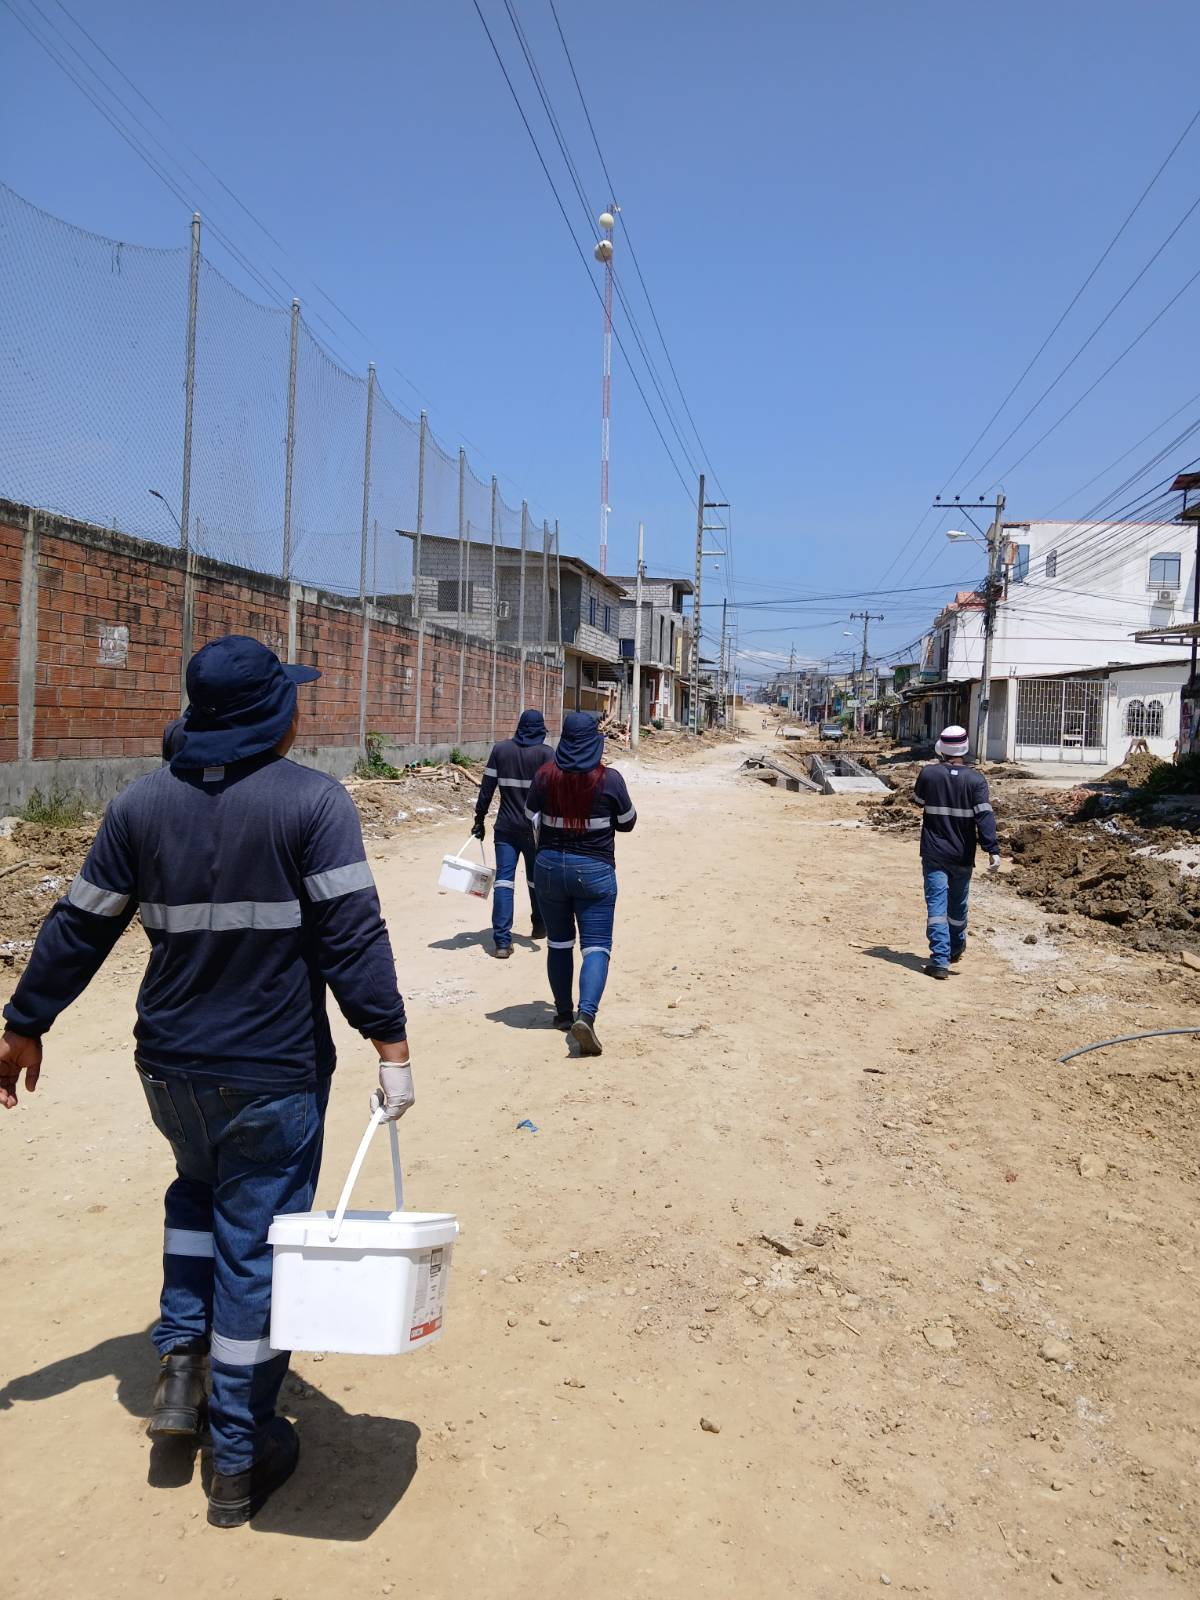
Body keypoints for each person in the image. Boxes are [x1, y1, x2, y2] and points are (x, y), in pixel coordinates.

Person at [0, 635, 414, 1528]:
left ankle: (182, 1369)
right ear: (273, 714)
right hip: (272, 1074)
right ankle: (238, 1450)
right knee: (256, 1249)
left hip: (171, 1071)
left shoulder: (139, 804)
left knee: (197, 1193)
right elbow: (352, 937)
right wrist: (391, 1044)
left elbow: (80, 925)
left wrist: (25, 1022)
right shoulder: (313, 803)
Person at [525, 711, 637, 1056]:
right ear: (594, 743)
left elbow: (530, 816)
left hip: (548, 869)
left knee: (559, 943)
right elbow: (628, 822)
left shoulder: (545, 776)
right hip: (594, 871)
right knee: (596, 947)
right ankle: (585, 1016)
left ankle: (563, 1013)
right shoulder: (610, 780)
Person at [914, 723, 1000, 980]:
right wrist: (992, 849)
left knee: (937, 906)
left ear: (941, 749)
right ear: (965, 749)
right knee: (958, 905)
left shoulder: (929, 774)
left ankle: (940, 960)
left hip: (934, 853)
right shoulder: (976, 780)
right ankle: (956, 946)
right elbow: (985, 816)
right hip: (963, 854)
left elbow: (918, 800)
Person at [472, 709, 554, 959]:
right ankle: (539, 925)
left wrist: (479, 818)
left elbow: (486, 789)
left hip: (505, 828)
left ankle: (501, 942)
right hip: (535, 830)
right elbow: (553, 795)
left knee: (504, 882)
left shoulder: (501, 750)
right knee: (536, 880)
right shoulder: (546, 754)